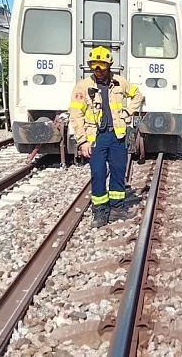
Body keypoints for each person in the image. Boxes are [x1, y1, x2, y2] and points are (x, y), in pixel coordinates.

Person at [68, 46, 145, 228]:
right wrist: (82, 141)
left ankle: (117, 208)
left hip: (117, 135)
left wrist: (127, 112)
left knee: (118, 171)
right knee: (98, 173)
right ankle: (100, 212)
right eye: (95, 67)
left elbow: (138, 95)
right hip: (95, 138)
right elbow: (75, 114)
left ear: (109, 66)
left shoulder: (119, 83)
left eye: (102, 67)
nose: (98, 71)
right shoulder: (83, 87)